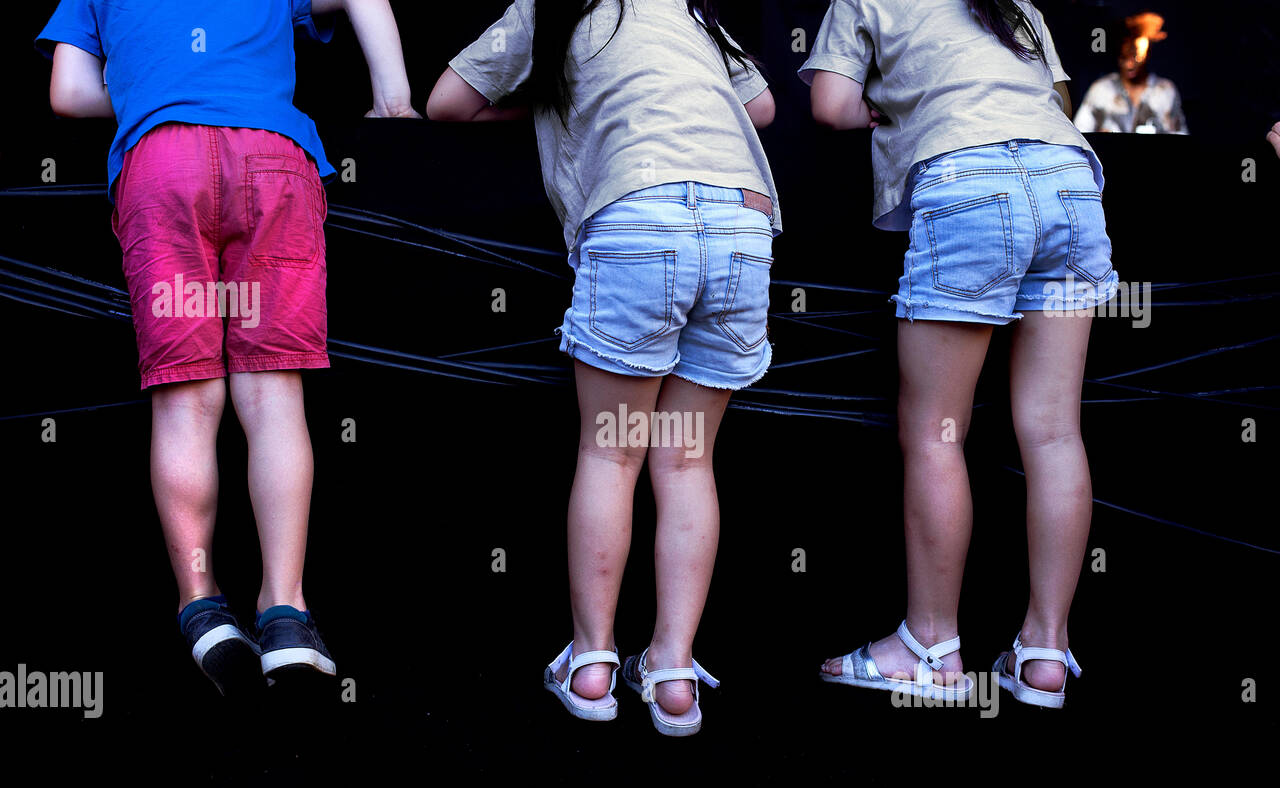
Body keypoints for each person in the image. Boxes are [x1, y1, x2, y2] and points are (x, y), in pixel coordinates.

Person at [37, 0, 419, 695]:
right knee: (274, 396)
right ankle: (285, 616)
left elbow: (65, 92)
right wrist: (393, 103)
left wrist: (146, 88)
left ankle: (203, 608)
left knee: (186, 398)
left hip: (162, 161)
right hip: (271, 156)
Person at [428, 0, 780, 735]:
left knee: (611, 453)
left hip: (641, 214)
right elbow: (765, 107)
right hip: (745, 223)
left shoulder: (549, 9)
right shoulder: (689, 11)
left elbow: (444, 104)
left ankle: (593, 665)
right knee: (686, 462)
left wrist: (550, 110)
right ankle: (674, 673)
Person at [803, 0, 1117, 708]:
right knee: (1054, 431)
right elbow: (1058, 99)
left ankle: (930, 650)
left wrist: (883, 109)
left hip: (970, 180)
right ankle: (1044, 651)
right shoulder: (1016, 1)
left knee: (937, 434)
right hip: (1070, 182)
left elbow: (830, 106)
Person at [1074, 12, 1187, 134]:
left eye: (1135, 57)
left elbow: (1180, 136)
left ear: (1146, 54)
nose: (1129, 65)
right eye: (1123, 58)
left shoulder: (1165, 90)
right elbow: (1079, 134)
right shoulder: (1101, 89)